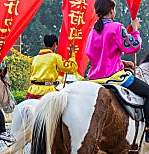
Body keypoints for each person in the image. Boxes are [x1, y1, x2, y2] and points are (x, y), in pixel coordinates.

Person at [85, 0, 149, 142]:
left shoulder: (93, 30)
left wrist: (120, 62)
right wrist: (136, 29)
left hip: (94, 78)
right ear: (112, 11)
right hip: (114, 77)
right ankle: (148, 130)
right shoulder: (116, 27)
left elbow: (92, 53)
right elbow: (134, 46)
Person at [26, 34, 78, 99]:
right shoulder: (55, 57)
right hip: (47, 91)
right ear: (55, 44)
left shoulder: (35, 58)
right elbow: (72, 67)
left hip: (32, 90)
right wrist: (72, 55)